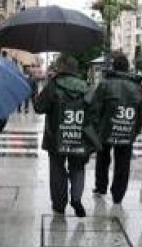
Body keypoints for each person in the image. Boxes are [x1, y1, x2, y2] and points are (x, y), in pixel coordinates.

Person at [34, 54, 100, 217]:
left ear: (60, 68)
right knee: (78, 168)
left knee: (57, 169)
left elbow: (39, 108)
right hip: (79, 137)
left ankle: (59, 204)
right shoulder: (86, 87)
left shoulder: (53, 86)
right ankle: (76, 198)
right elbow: (94, 114)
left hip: (56, 137)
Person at [92, 53, 142, 204]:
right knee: (123, 163)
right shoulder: (136, 87)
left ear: (113, 67)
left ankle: (101, 187)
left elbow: (96, 106)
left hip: (105, 128)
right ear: (127, 69)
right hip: (127, 129)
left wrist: (96, 126)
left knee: (102, 159)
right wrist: (136, 130)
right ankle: (118, 195)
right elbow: (141, 111)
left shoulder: (105, 84)